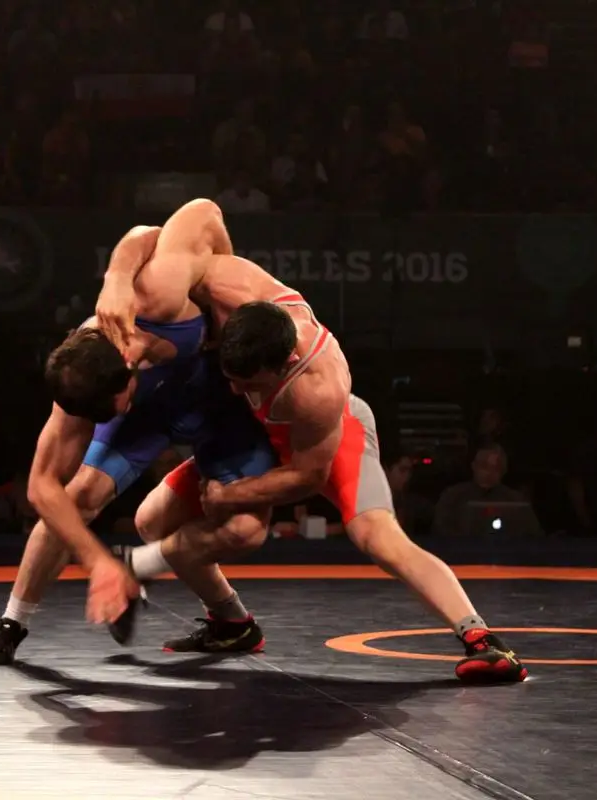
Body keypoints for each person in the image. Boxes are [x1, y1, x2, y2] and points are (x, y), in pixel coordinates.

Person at [93, 204, 527, 683]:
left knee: (376, 535)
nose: (235, 389)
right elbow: (193, 216)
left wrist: (232, 494)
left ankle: (482, 640)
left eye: (247, 383)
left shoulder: (318, 388)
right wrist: (117, 279)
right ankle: (232, 623)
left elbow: (306, 476)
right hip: (257, 434)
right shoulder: (228, 285)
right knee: (152, 520)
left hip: (329, 440)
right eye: (230, 377)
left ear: (282, 366)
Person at [0, 201, 276, 666]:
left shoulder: (156, 298)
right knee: (79, 495)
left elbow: (197, 213)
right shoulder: (80, 377)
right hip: (152, 412)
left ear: (128, 367)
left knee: (245, 530)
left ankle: (227, 618)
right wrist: (98, 563)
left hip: (217, 395)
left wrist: (217, 297)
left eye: (115, 406)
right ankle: (11, 624)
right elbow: (42, 487)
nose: (112, 414)